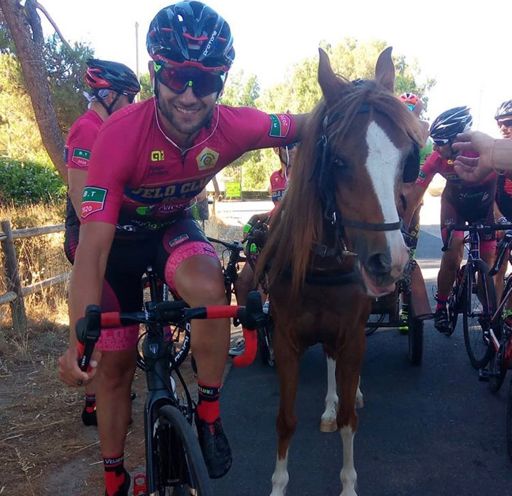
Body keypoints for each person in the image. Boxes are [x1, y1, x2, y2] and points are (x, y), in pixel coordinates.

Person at [57, 2, 308, 494]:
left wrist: (364, 104)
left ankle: (209, 414)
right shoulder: (118, 135)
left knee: (211, 291)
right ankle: (114, 478)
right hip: (116, 246)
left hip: (171, 229)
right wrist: (76, 340)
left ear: (222, 79)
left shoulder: (234, 126)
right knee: (114, 370)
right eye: (176, 76)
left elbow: (304, 123)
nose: (190, 94)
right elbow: (92, 251)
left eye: (206, 79)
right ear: (156, 72)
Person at [63, 58, 140, 427]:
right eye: (129, 98)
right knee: (102, 313)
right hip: (84, 235)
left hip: (106, 231)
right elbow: (82, 200)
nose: (132, 106)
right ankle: (95, 398)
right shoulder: (86, 129)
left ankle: (107, 389)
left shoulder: (106, 127)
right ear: (108, 95)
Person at [402, 106, 497, 334]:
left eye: (440, 142)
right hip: (455, 206)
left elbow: (504, 189)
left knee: (488, 261)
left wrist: (501, 216)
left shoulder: (485, 151)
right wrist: (403, 227)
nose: (435, 147)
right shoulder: (437, 158)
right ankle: (442, 305)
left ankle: (489, 312)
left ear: (458, 140)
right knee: (453, 251)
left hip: (485, 208)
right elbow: (416, 194)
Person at [229, 143, 297, 356]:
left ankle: (268, 337)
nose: (292, 150)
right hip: (273, 237)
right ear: (277, 150)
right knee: (242, 283)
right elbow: (278, 209)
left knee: (262, 286)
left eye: (296, 145)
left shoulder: (305, 174)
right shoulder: (275, 177)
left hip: (293, 241)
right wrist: (259, 217)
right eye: (288, 146)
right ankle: (249, 336)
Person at [490, 100, 512, 300]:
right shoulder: (496, 154)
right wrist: (498, 217)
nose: (503, 128)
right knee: (499, 267)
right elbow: (489, 192)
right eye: (500, 124)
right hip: (501, 217)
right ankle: (496, 313)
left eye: (509, 123)